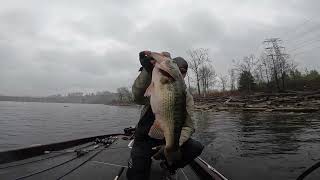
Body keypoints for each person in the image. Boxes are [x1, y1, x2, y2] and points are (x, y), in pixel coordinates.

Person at [126, 51, 204, 180]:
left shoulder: (187, 97)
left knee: (195, 147)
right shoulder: (155, 81)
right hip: (144, 138)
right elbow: (137, 97)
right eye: (177, 68)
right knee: (136, 176)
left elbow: (189, 126)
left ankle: (168, 166)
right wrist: (147, 70)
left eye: (183, 71)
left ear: (184, 74)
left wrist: (173, 145)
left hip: (167, 138)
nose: (180, 72)